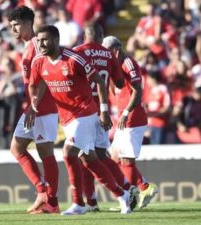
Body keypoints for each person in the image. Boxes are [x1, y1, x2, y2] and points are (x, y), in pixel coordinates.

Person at [29, 25, 131, 215]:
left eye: (45, 40)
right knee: (89, 159)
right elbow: (37, 83)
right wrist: (33, 103)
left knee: (69, 153)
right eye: (39, 40)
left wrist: (104, 111)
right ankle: (122, 194)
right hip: (66, 117)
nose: (41, 44)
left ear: (56, 40)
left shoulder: (74, 58)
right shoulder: (39, 61)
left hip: (85, 112)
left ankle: (79, 204)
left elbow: (100, 83)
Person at [74, 22, 137, 211]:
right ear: (101, 36)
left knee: (84, 155)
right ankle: (127, 188)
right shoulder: (108, 54)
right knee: (100, 155)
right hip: (102, 113)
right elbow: (119, 83)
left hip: (82, 111)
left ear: (85, 36)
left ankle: (94, 201)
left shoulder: (76, 52)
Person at [7, 6, 59, 214]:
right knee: (16, 148)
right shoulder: (28, 46)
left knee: (45, 153)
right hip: (32, 108)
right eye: (11, 26)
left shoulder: (37, 45)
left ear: (29, 23)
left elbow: (46, 76)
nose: (13, 29)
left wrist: (34, 106)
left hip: (42, 108)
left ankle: (52, 202)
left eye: (16, 25)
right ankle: (42, 191)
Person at [102, 36, 158, 209]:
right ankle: (130, 196)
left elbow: (137, 90)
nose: (105, 57)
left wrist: (126, 112)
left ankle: (145, 188)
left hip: (132, 118)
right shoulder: (115, 65)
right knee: (114, 159)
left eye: (107, 53)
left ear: (116, 50)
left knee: (126, 160)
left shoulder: (128, 63)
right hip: (123, 118)